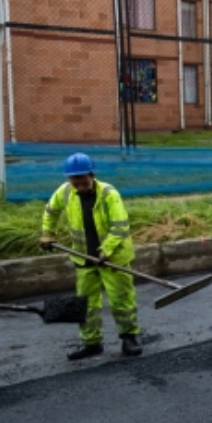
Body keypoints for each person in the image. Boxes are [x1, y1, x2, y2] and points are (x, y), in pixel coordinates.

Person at [40, 153, 143, 360]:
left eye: (84, 183)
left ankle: (129, 338)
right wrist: (47, 233)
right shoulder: (65, 191)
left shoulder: (108, 193)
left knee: (121, 300)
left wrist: (106, 250)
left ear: (92, 175)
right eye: (75, 183)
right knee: (86, 303)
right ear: (69, 179)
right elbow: (50, 210)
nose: (80, 187)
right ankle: (91, 343)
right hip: (83, 258)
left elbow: (120, 225)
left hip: (113, 258)